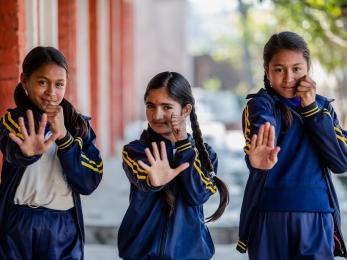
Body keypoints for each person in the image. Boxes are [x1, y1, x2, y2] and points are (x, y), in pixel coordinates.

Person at [236, 31, 347, 259]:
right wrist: (259, 154)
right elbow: (263, 126)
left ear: (308, 68)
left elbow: (341, 162)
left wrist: (311, 111)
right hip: (268, 213)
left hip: (315, 214)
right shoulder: (259, 106)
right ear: (267, 70)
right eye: (279, 69)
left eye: (296, 69)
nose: (288, 78)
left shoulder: (323, 108)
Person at [0, 46, 103, 259]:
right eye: (42, 82)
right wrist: (27, 152)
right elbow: (10, 149)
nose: (51, 92)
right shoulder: (14, 121)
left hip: (62, 226)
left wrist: (65, 138)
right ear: (25, 80)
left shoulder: (78, 126)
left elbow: (89, 182)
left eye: (59, 84)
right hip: (19, 222)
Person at [118, 71, 229, 260]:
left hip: (190, 255)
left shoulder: (205, 155)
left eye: (166, 106)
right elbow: (142, 178)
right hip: (142, 254)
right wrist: (153, 181)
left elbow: (197, 194)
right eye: (150, 106)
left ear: (185, 110)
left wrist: (184, 145)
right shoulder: (135, 151)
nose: (157, 115)